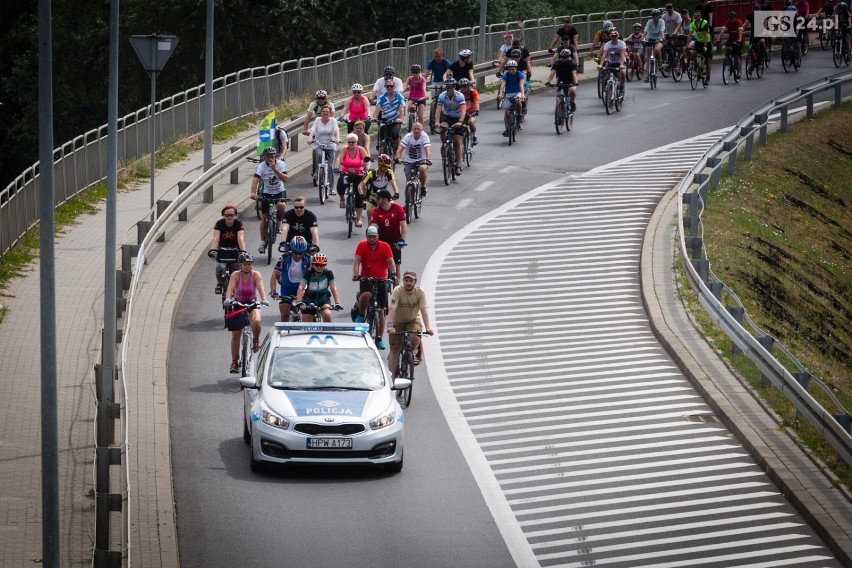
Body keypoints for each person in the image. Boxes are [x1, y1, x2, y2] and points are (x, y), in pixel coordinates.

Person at [352, 225, 397, 350]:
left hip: (381, 279)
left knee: (381, 310)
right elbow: (357, 261)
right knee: (365, 295)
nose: (372, 239)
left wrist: (393, 274)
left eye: (374, 237)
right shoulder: (361, 245)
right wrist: (356, 274)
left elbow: (391, 262)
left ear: (378, 237)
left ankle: (379, 339)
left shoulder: (385, 246)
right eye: (369, 237)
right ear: (366, 237)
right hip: (366, 278)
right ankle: (361, 314)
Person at [224, 252, 268, 373]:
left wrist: (263, 299)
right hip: (239, 304)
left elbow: (261, 288)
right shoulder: (235, 275)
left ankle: (256, 339)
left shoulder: (256, 275)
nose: (247, 266)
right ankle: (234, 361)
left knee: (257, 321)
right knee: (236, 334)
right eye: (245, 264)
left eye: (249, 264)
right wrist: (228, 299)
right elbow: (230, 289)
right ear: (240, 265)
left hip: (252, 303)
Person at [387, 271, 434, 378]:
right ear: (403, 281)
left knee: (414, 338)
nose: (408, 283)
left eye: (411, 281)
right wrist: (390, 326)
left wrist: (428, 328)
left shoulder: (420, 292)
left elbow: (424, 311)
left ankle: (409, 356)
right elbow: (392, 310)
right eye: (406, 280)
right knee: (394, 350)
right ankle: (393, 379)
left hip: (412, 321)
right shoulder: (397, 291)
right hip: (397, 322)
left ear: (415, 282)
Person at [250, 147, 288, 255]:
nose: (270, 158)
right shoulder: (262, 166)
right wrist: (253, 193)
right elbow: (255, 180)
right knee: (264, 217)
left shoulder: (281, 164)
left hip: (279, 190)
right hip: (267, 192)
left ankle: (279, 222)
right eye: (268, 157)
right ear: (265, 157)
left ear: (275, 156)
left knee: (281, 205)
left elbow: (285, 179)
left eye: (272, 156)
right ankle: (262, 242)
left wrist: (275, 169)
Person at [270, 236, 312, 322]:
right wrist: (273, 291)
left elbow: (314, 276)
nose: (298, 255)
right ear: (291, 250)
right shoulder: (284, 258)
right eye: (295, 252)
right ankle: (283, 333)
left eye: (301, 253)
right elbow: (274, 274)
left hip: (302, 288)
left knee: (307, 313)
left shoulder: (308, 259)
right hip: (286, 288)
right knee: (285, 314)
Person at [208, 203, 247, 294]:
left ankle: (237, 285)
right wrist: (213, 250)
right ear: (223, 215)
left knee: (236, 268)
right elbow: (215, 238)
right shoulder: (219, 223)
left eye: (231, 215)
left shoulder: (238, 224)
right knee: (219, 267)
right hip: (222, 249)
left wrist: (243, 251)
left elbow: (240, 239)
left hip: (235, 249)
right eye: (227, 215)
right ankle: (220, 283)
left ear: (235, 215)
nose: (229, 217)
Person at [294, 253, 342, 323]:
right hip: (309, 299)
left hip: (323, 299)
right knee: (306, 322)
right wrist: (299, 301)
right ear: (313, 264)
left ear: (325, 265)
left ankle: (327, 332)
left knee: (327, 314)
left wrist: (337, 303)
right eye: (316, 265)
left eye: (321, 265)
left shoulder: (328, 273)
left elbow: (333, 288)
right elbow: (301, 287)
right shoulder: (308, 273)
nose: (319, 267)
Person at [370, 189, 408, 268]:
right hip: (382, 241)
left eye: (378, 198)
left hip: (395, 241)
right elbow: (373, 227)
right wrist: (373, 240)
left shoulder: (397, 208)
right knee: (380, 265)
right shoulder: (376, 211)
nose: (376, 200)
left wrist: (402, 240)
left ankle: (396, 280)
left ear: (385, 199)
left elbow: (403, 225)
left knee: (397, 266)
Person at [435, 78, 466, 174]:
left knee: (457, 140)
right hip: (447, 116)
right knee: (442, 127)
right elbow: (438, 110)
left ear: (454, 87)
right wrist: (437, 122)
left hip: (458, 118)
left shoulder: (460, 96)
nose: (449, 89)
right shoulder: (442, 96)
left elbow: (463, 110)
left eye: (451, 87)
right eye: (447, 87)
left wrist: (460, 121)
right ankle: (444, 144)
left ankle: (458, 163)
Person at [335, 133, 369, 221]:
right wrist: (336, 167)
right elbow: (339, 158)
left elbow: (367, 160)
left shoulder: (361, 149)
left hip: (358, 173)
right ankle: (342, 199)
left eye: (352, 142)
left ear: (356, 142)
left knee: (358, 195)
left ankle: (359, 218)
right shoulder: (344, 149)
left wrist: (367, 169)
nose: (350, 144)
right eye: (349, 142)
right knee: (340, 184)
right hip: (346, 172)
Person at [307, 105, 340, 193]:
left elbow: (336, 130)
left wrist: (337, 139)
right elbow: (312, 130)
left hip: (330, 144)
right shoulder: (317, 120)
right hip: (319, 144)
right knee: (319, 154)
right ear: (321, 113)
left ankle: (331, 188)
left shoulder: (333, 121)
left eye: (327, 112)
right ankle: (317, 171)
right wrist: (310, 138)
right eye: (323, 111)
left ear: (330, 113)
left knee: (329, 166)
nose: (325, 113)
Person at [395, 122, 432, 197]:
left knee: (422, 169)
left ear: (421, 130)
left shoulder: (424, 136)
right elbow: (400, 148)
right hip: (409, 161)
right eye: (414, 129)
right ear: (412, 129)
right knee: (408, 181)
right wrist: (398, 158)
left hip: (422, 160)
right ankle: (407, 203)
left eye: (418, 129)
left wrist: (427, 159)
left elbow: (427, 149)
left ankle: (423, 186)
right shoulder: (408, 136)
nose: (416, 131)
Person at [372, 77, 406, 155]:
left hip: (395, 121)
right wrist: (374, 118)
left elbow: (402, 110)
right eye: (387, 86)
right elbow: (377, 110)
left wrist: (400, 119)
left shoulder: (399, 97)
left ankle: (397, 152)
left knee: (395, 134)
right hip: (385, 120)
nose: (389, 88)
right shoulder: (382, 98)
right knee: (382, 138)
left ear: (394, 87)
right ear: (385, 87)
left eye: (391, 86)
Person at [498, 60, 526, 137]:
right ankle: (507, 128)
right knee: (506, 112)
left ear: (516, 68)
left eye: (513, 69)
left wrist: (523, 94)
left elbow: (521, 85)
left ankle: (519, 116)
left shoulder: (519, 74)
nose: (511, 71)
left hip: (518, 92)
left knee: (518, 101)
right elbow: (503, 85)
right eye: (509, 69)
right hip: (508, 93)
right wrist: (500, 94)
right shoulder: (506, 75)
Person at [716, 11, 744, 77]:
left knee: (736, 55)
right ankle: (728, 59)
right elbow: (722, 31)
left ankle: (738, 70)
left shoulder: (738, 22)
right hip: (731, 39)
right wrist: (718, 38)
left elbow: (740, 31)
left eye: (732, 18)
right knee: (728, 48)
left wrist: (739, 39)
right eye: (730, 18)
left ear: (735, 18)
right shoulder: (727, 23)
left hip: (738, 39)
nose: (731, 19)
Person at [688, 8, 713, 82]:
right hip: (699, 41)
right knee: (694, 53)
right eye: (695, 15)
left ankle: (708, 77)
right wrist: (687, 45)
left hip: (706, 42)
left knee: (707, 60)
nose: (696, 17)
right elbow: (689, 35)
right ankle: (696, 67)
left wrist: (705, 46)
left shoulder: (704, 22)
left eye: (698, 15)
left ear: (701, 16)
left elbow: (705, 36)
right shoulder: (692, 24)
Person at [644, 9, 666, 81]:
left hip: (658, 39)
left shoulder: (661, 21)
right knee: (648, 58)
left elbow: (662, 30)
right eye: (653, 15)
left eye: (657, 15)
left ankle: (659, 63)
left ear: (659, 15)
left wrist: (663, 37)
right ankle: (647, 76)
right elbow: (646, 30)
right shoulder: (649, 22)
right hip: (649, 39)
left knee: (657, 49)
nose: (655, 16)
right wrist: (642, 37)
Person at [458, 78, 480, 146]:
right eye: (461, 86)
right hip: (462, 113)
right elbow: (455, 104)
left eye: (464, 86)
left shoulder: (473, 92)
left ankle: (474, 136)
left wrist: (476, 110)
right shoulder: (458, 93)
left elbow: (476, 102)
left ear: (468, 86)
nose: (463, 88)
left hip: (471, 112)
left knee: (470, 122)